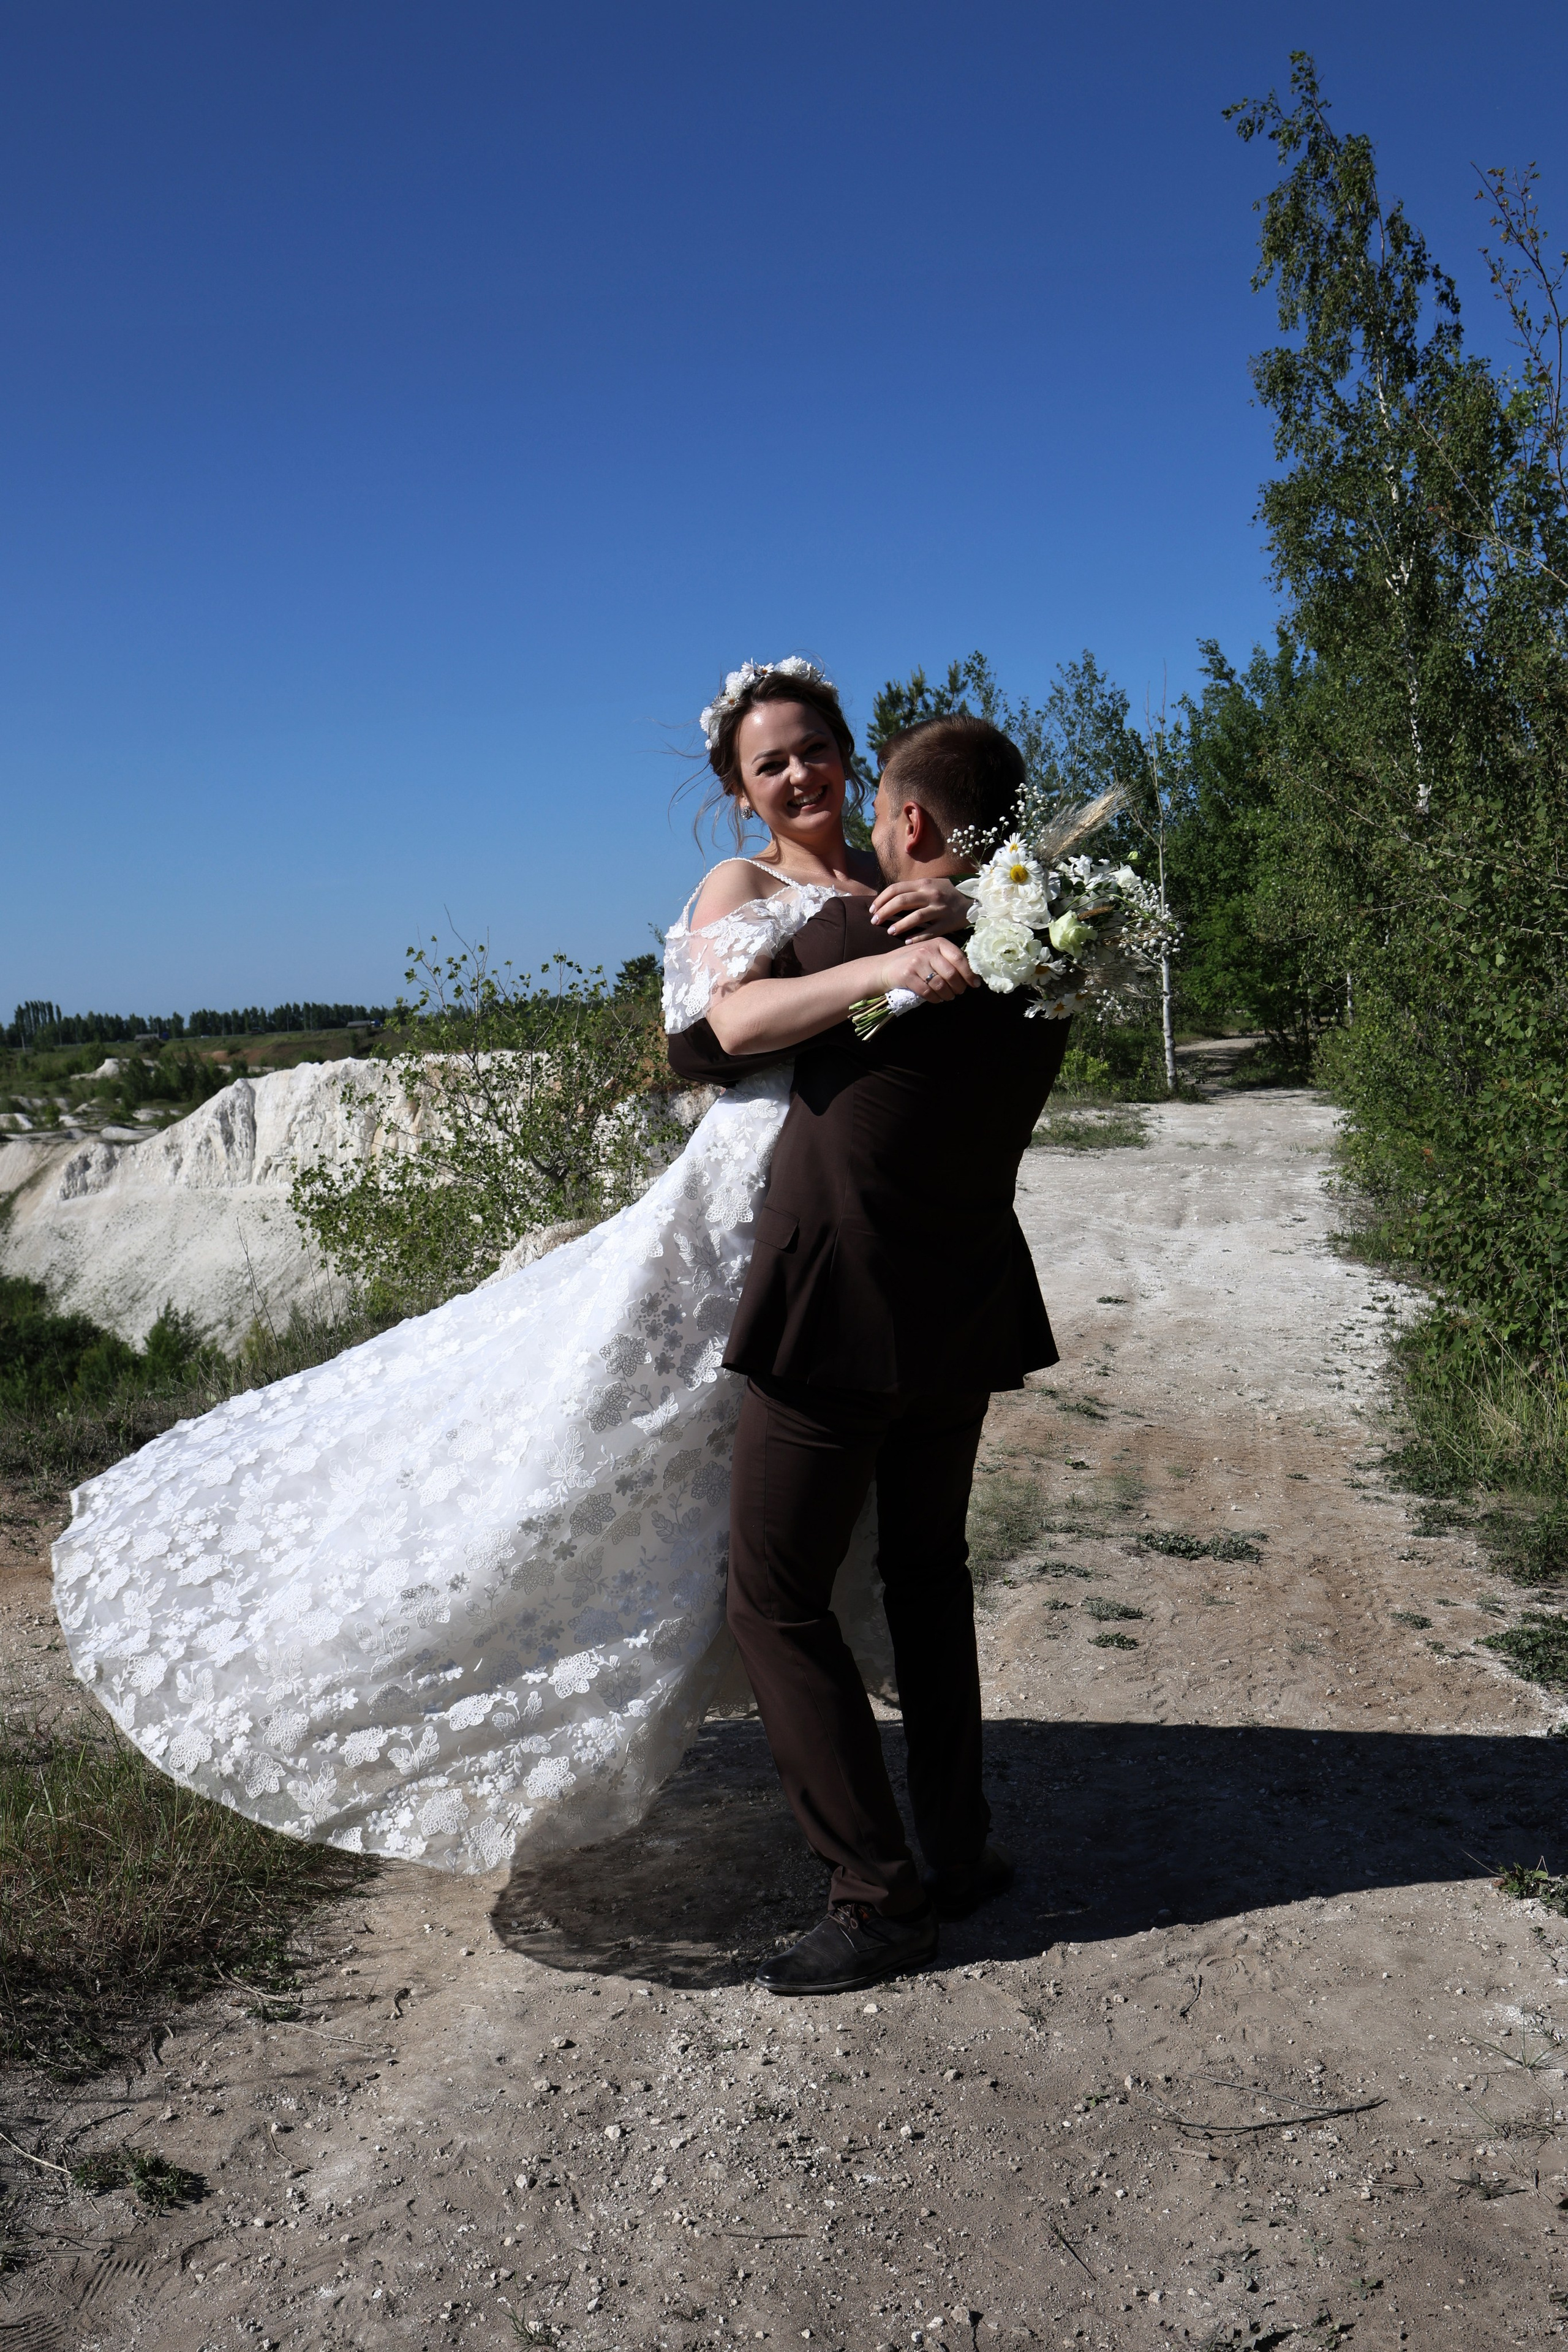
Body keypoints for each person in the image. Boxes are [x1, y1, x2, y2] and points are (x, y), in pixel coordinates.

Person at [50, 659, 968, 1878]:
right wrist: (879, 971)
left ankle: (912, 1820)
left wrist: (958, 906)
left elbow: (993, 897)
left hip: (870, 1221)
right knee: (600, 1456)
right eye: (771, 763)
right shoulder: (737, 884)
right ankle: (446, 1652)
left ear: (854, 756)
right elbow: (728, 1028)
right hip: (748, 1201)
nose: (800, 774)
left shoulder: (904, 870)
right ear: (738, 793)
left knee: (803, 1513)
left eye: (814, 749)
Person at [668, 709, 1071, 1995]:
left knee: (776, 1597)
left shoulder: (849, 932)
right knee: (925, 1573)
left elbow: (701, 1040)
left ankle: (877, 1896)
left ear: (903, 822)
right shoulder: (1055, 958)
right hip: (960, 1308)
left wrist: (881, 956)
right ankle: (957, 1851)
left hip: (834, 1304)